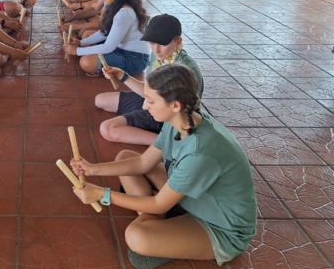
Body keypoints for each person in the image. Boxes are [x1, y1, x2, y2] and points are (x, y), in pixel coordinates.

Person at [70, 64, 257, 268]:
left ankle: (157, 222)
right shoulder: (180, 119)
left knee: (136, 236)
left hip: (221, 228)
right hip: (192, 198)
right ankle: (158, 221)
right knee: (125, 156)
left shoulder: (200, 152)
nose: (144, 106)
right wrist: (92, 168)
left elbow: (160, 203)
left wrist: (102, 195)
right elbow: (143, 162)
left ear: (175, 104)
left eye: (150, 101)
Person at [96, 14, 204, 146]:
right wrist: (122, 75)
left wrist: (148, 107)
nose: (156, 49)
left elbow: (181, 113)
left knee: (107, 129)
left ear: (178, 42)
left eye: (162, 44)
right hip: (153, 101)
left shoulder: (185, 70)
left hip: (167, 115)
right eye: (152, 43)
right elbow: (149, 89)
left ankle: (166, 144)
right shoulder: (158, 55)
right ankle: (141, 121)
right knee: (100, 100)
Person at [63, 0, 150, 77]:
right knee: (86, 35)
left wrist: (77, 51)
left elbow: (109, 47)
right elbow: (105, 32)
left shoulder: (124, 13)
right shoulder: (120, 7)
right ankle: (101, 58)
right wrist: (81, 43)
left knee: (86, 62)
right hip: (120, 49)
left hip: (134, 59)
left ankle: (104, 67)